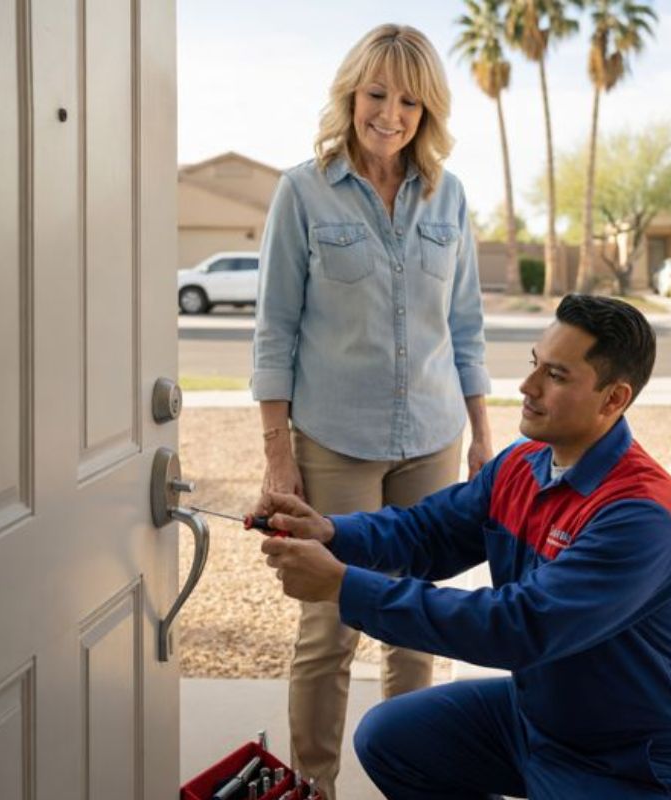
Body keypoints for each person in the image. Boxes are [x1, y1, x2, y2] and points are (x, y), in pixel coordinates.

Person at [257, 296, 671, 799]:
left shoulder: (641, 515)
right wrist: (332, 533)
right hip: (536, 718)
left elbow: (518, 626)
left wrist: (343, 586)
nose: (528, 388)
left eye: (556, 375)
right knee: (390, 738)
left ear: (613, 399)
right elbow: (429, 532)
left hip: (630, 755)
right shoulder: (522, 464)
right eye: (535, 364)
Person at [250, 24, 492, 799]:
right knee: (329, 624)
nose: (390, 113)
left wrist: (484, 437)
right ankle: (313, 787)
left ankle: (412, 779)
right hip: (336, 441)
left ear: (428, 112)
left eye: (409, 101)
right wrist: (278, 452)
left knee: (415, 621)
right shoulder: (303, 190)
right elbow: (275, 329)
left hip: (432, 436)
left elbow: (466, 327)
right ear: (353, 93)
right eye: (377, 94)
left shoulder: (449, 194)